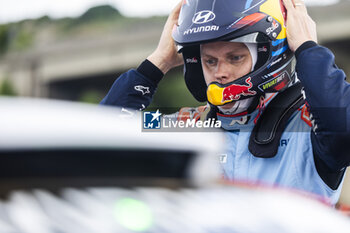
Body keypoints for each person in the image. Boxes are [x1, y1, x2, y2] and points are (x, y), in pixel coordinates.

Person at [101, 0, 350, 205]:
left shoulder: (307, 126)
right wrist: (157, 63)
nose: (220, 73)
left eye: (235, 57)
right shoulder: (188, 124)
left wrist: (307, 49)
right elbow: (101, 140)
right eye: (210, 61)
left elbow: (343, 128)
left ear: (270, 54)